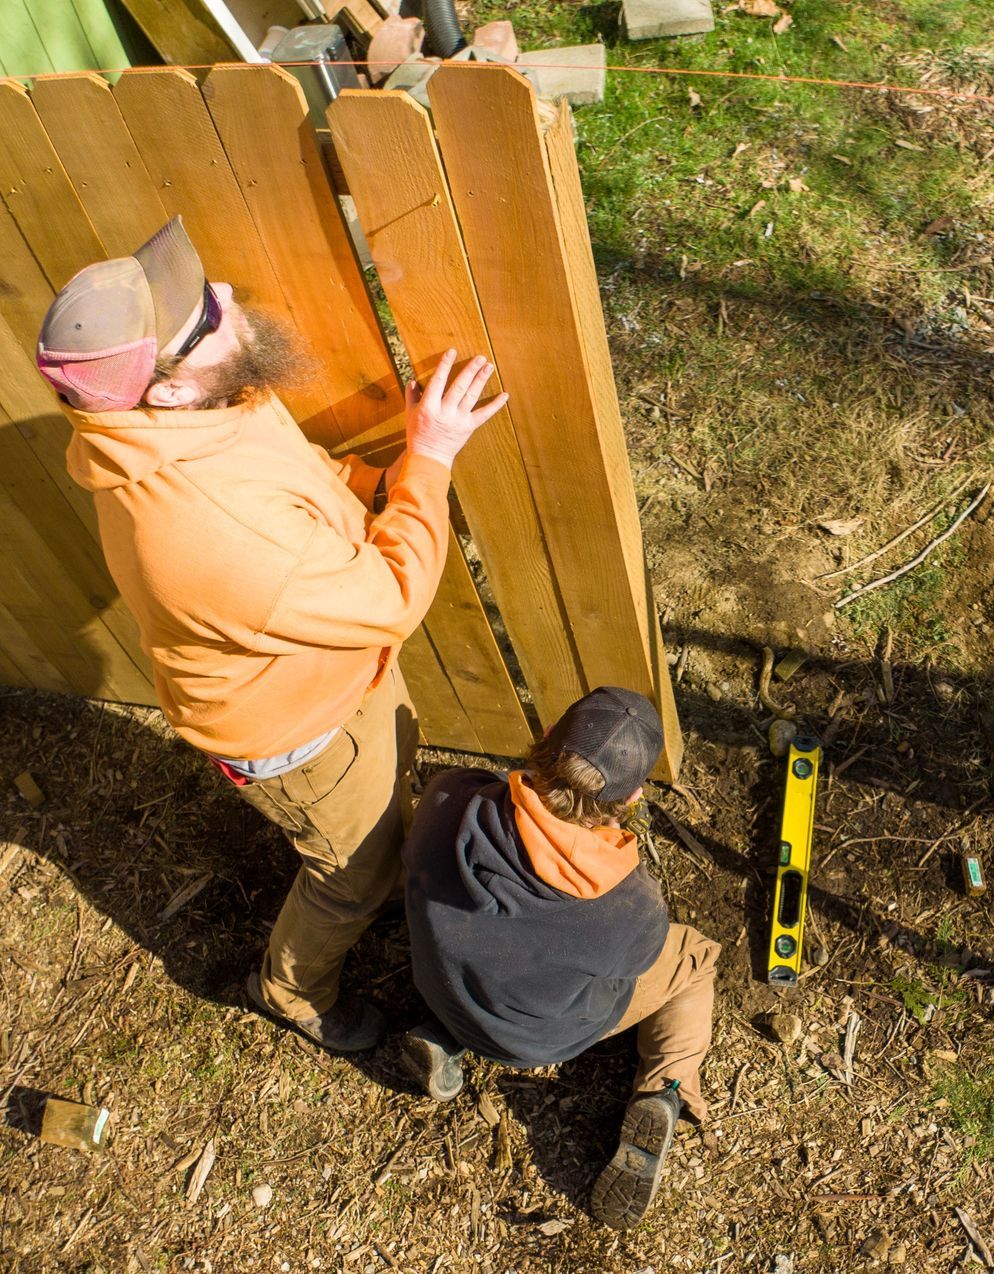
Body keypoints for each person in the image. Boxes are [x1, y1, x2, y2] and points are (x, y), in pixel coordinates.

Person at [37, 216, 507, 1052]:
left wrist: (376, 484)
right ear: (169, 387)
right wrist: (428, 461)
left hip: (334, 678)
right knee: (349, 877)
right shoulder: (210, 528)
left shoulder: (195, 412)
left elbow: (298, 479)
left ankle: (380, 843)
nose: (224, 297)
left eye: (202, 291)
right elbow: (391, 596)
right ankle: (290, 992)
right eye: (204, 319)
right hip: (297, 734)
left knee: (382, 814)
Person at [399, 687, 717, 1228]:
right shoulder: (629, 907)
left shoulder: (450, 797)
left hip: (442, 986)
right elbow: (634, 964)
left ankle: (446, 1037)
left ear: (547, 738)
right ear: (633, 796)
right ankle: (666, 1090)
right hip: (538, 1039)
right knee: (697, 959)